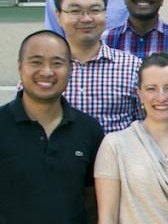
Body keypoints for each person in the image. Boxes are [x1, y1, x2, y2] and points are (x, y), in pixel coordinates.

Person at [0, 30, 104, 223]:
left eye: (57, 63)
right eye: (36, 62)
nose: (47, 71)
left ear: (70, 69)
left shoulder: (89, 129)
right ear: (20, 66)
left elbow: (93, 199)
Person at [95, 53, 168, 224]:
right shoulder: (115, 145)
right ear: (140, 94)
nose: (161, 97)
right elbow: (107, 217)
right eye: (151, 88)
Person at [54, 0, 142, 134]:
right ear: (59, 16)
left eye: (95, 10)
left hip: (117, 157)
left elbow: (145, 126)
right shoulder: (45, 69)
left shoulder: (132, 67)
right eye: (75, 11)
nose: (87, 18)